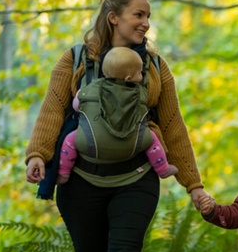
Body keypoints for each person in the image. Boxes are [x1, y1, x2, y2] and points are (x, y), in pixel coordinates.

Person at [25, 0, 209, 252]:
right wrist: (37, 154)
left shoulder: (156, 67)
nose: (146, 23)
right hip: (81, 181)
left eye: (148, 16)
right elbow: (53, 109)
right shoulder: (74, 60)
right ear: (114, 18)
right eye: (138, 15)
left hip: (137, 177)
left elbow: (174, 126)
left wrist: (193, 185)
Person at [56, 47, 178, 185]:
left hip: (90, 145)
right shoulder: (140, 93)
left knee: (70, 140)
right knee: (153, 138)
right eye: (139, 73)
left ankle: (64, 172)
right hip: (133, 145)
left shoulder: (88, 89)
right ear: (129, 78)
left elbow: (77, 107)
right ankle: (162, 168)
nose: (141, 76)